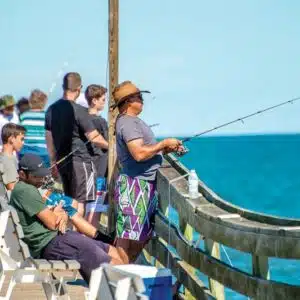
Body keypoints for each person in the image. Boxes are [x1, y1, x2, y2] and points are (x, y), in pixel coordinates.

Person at [10, 154, 124, 284]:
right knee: (105, 259)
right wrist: (59, 214)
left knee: (110, 250)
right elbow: (53, 223)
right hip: (51, 243)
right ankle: (124, 291)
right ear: (22, 174)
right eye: (37, 176)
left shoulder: (27, 189)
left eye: (42, 175)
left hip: (60, 238)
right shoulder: (25, 190)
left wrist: (61, 214)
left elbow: (55, 217)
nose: (41, 179)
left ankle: (127, 290)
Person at [112, 80, 183, 263]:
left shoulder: (130, 122)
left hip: (143, 184)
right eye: (138, 97)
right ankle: (119, 278)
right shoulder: (128, 123)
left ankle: (124, 276)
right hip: (135, 185)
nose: (142, 99)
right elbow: (138, 153)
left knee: (140, 237)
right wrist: (163, 143)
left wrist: (165, 149)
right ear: (128, 102)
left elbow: (144, 150)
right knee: (128, 238)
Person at [45, 72, 108, 217]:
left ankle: (71, 235)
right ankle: (78, 237)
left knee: (69, 201)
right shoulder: (78, 110)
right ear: (79, 88)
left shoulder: (51, 110)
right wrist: (112, 147)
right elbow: (94, 138)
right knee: (80, 203)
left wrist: (53, 161)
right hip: (80, 162)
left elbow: (49, 139)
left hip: (62, 163)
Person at [85, 84, 109, 226]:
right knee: (95, 210)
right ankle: (90, 242)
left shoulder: (82, 119)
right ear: (94, 100)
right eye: (102, 100)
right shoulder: (100, 122)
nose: (104, 103)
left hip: (85, 170)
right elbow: (107, 144)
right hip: (99, 170)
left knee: (83, 208)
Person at [19, 89, 50, 167]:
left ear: (30, 102)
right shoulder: (48, 116)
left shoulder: (23, 116)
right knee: (44, 177)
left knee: (25, 178)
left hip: (25, 153)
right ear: (44, 102)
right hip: (43, 153)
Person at [0, 123, 26, 202]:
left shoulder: (9, 158)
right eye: (21, 139)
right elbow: (13, 190)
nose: (23, 142)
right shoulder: (7, 160)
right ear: (11, 139)